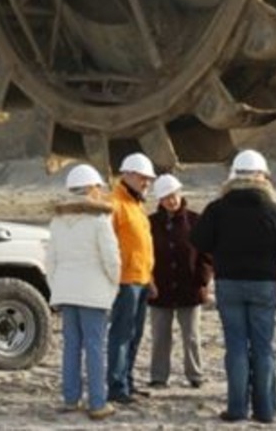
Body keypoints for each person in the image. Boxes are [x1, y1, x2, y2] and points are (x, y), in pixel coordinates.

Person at [191, 149, 276, 425]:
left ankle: (237, 408)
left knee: (237, 347)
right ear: (263, 177)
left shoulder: (217, 209)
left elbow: (199, 240)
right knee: (264, 349)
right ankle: (265, 410)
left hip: (229, 284)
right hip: (264, 285)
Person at [45, 163, 122, 421]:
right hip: (93, 292)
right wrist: (113, 285)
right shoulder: (99, 221)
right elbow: (112, 260)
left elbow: (51, 262)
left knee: (71, 347)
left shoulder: (57, 222)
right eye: (98, 188)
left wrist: (57, 289)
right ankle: (98, 403)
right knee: (95, 347)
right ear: (91, 189)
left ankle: (70, 399)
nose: (100, 192)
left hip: (66, 291)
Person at [146, 173, 212, 389]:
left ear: (180, 194)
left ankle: (195, 375)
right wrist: (149, 280)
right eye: (165, 197)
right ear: (159, 200)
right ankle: (158, 376)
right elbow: (145, 254)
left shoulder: (195, 220)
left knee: (192, 336)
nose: (171, 201)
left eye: (173, 195)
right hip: (160, 289)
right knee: (160, 337)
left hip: (190, 289)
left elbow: (208, 253)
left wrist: (202, 279)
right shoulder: (151, 223)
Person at [106, 152, 156, 405]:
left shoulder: (137, 205)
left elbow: (143, 246)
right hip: (124, 282)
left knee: (134, 335)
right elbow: (107, 245)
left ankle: (127, 381)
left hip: (142, 279)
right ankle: (116, 386)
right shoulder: (115, 204)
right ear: (127, 175)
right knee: (122, 334)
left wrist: (151, 278)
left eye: (148, 179)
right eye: (142, 177)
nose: (146, 182)